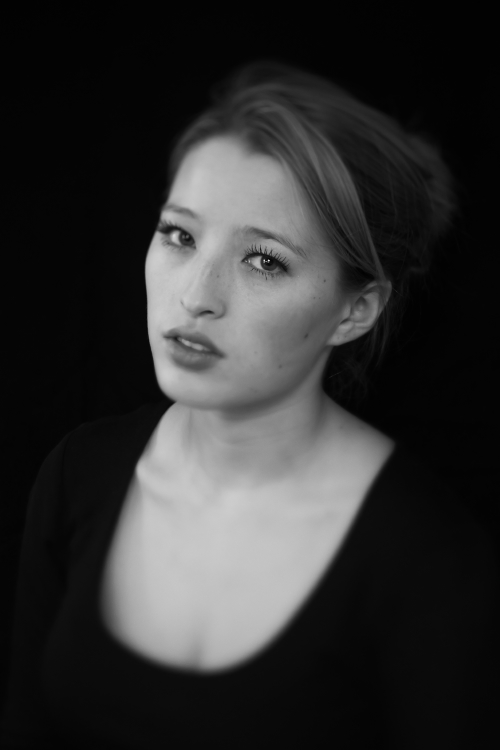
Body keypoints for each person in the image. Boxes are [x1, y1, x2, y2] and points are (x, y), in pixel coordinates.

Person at [1, 59, 498, 749]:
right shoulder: (77, 475)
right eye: (179, 235)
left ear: (355, 311)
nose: (196, 294)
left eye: (264, 260)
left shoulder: (429, 562)